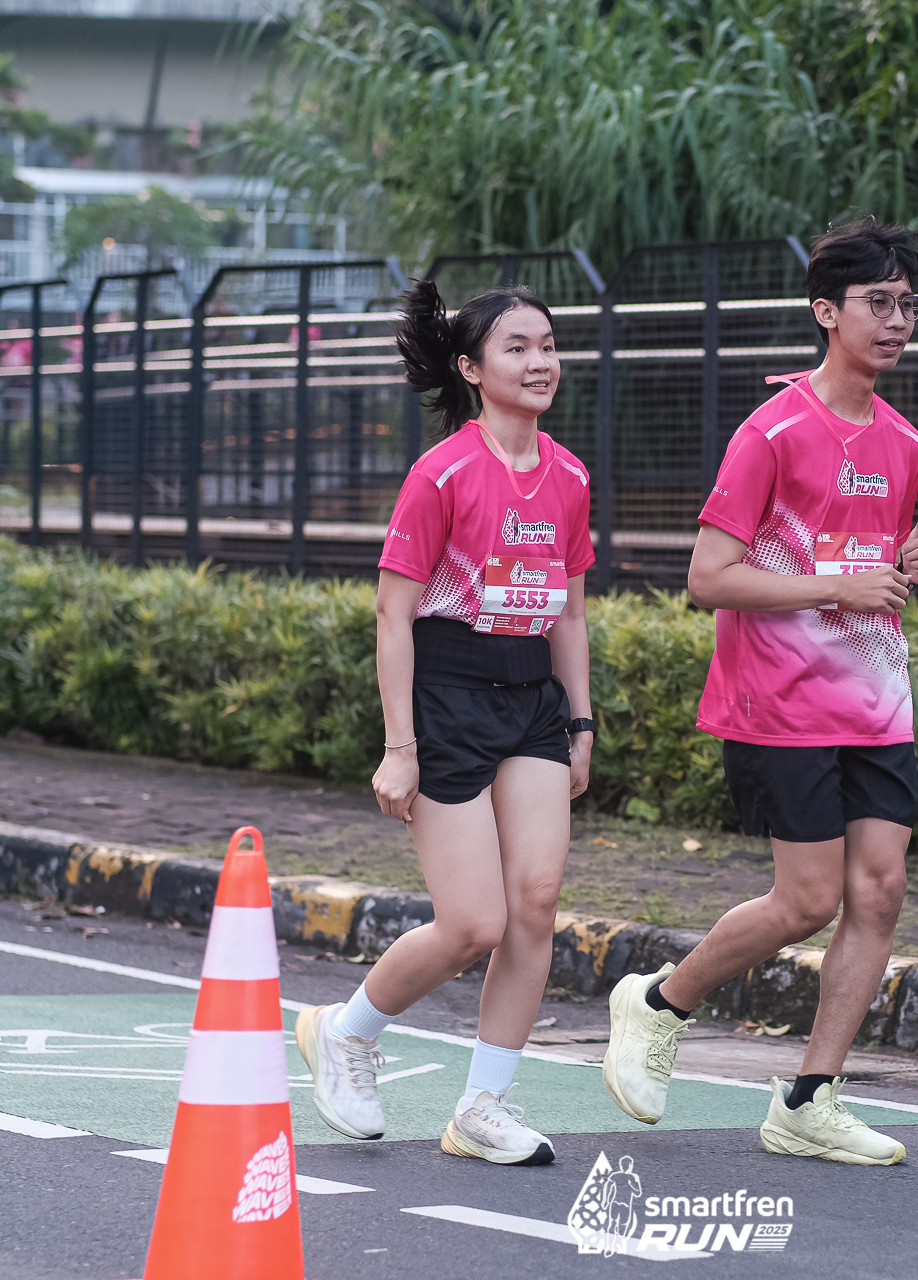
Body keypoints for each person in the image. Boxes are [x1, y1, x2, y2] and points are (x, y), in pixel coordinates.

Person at [602, 219, 918, 1165]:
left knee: (880, 891)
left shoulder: (904, 440)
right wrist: (840, 585)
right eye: (878, 302)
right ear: (826, 312)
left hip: (876, 697)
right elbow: (708, 577)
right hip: (780, 700)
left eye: (908, 304)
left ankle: (808, 1099)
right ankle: (660, 1001)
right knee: (805, 902)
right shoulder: (773, 431)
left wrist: (911, 565)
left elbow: (872, 567)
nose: (897, 320)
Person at [293, 279, 597, 1167]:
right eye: (517, 348)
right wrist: (401, 748)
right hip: (448, 695)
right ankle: (347, 1032)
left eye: (548, 345)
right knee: (473, 923)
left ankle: (482, 1107)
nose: (539, 362)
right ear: (470, 368)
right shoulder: (443, 473)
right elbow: (393, 615)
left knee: (535, 904)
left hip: (532, 697)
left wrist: (581, 724)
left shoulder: (571, 476)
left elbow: (571, 613)